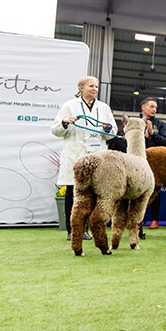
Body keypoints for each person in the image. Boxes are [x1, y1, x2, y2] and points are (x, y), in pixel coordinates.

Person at [51, 76, 117, 241]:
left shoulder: (103, 108)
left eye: (96, 86)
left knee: (92, 195)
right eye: (91, 86)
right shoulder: (69, 106)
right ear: (81, 88)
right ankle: (72, 230)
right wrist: (65, 123)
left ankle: (86, 229)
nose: (94, 89)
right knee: (73, 194)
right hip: (75, 154)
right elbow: (56, 130)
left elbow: (112, 132)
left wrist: (108, 128)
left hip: (96, 157)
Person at [140, 97, 166, 233]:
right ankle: (135, 219)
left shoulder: (160, 124)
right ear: (143, 108)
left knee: (155, 190)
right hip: (138, 161)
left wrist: (152, 134)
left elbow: (164, 142)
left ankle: (154, 219)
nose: (154, 109)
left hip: (155, 164)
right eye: (151, 106)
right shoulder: (135, 122)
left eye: (155, 107)